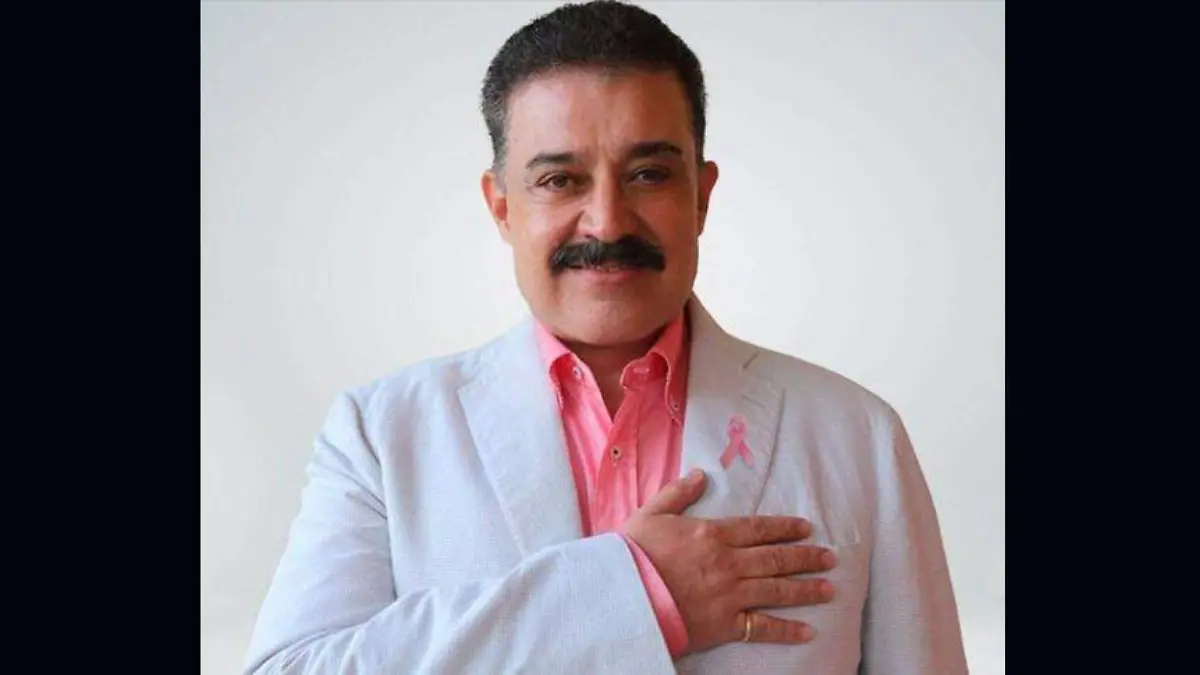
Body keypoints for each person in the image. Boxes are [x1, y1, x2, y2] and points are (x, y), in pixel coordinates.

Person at [243, 1, 968, 673]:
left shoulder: (856, 433)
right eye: (560, 180)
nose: (608, 221)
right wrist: (640, 595)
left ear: (702, 196)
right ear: (502, 208)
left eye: (649, 174)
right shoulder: (380, 434)